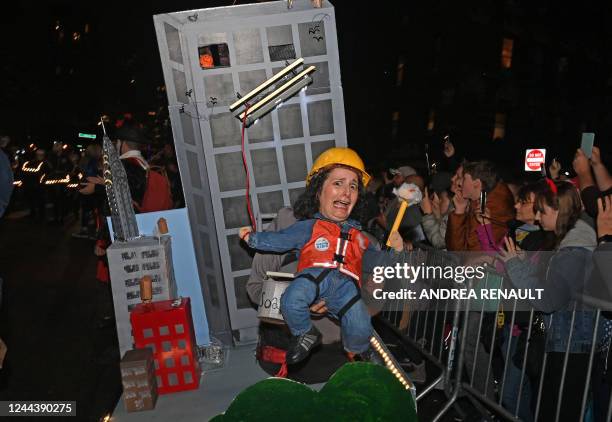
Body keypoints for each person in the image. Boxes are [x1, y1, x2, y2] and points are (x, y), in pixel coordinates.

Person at [240, 147, 404, 365]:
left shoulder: (364, 241)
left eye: (353, 186)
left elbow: (373, 307)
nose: (346, 193)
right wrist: (304, 307)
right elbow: (255, 289)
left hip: (340, 357)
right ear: (318, 190)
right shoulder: (288, 223)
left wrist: (384, 274)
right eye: (338, 183)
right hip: (285, 354)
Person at [499, 180, 600, 421]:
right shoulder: (568, 246)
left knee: (558, 411)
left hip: (571, 347)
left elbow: (547, 300)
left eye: (542, 211)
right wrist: (523, 265)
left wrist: (514, 265)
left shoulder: (574, 252)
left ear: (558, 211)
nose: (538, 216)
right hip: (566, 343)